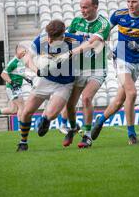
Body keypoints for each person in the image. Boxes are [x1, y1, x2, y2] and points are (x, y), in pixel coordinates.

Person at [91, 0, 139, 145]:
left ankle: (100, 120)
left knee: (119, 101)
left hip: (138, 61)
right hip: (122, 56)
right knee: (132, 93)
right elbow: (103, 32)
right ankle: (132, 135)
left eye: (134, 2)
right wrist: (107, 47)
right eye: (128, 1)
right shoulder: (118, 15)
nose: (131, 5)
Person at [16, 19, 91, 152]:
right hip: (45, 80)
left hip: (65, 83)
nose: (49, 41)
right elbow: (28, 58)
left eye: (53, 39)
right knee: (26, 112)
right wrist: (36, 70)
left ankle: (45, 120)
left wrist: (74, 52)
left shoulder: (73, 40)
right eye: (49, 37)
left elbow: (93, 42)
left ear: (63, 36)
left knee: (51, 115)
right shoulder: (41, 40)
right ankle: (23, 142)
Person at [60, 0, 111, 149]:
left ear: (95, 7)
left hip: (97, 69)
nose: (82, 10)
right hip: (79, 69)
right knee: (70, 105)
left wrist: (70, 53)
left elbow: (92, 43)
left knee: (87, 98)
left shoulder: (103, 24)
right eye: (81, 7)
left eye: (86, 7)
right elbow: (66, 39)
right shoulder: (77, 21)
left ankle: (87, 136)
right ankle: (74, 128)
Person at [0, 44, 33, 128]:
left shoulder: (21, 61)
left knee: (13, 110)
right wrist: (12, 82)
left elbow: (19, 73)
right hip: (13, 88)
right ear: (17, 51)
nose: (24, 53)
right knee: (22, 106)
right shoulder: (13, 62)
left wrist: (27, 79)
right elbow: (3, 74)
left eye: (25, 51)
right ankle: (22, 127)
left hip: (17, 87)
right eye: (23, 51)